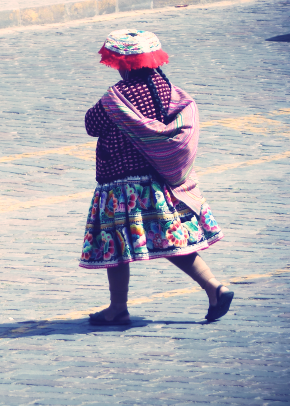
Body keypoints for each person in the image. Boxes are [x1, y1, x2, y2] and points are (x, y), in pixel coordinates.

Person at [79, 29, 233, 325]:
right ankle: (213, 286)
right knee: (170, 241)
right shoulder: (167, 89)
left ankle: (118, 307)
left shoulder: (118, 97)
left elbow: (91, 123)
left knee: (116, 245)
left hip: (122, 185)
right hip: (156, 180)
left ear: (124, 64)